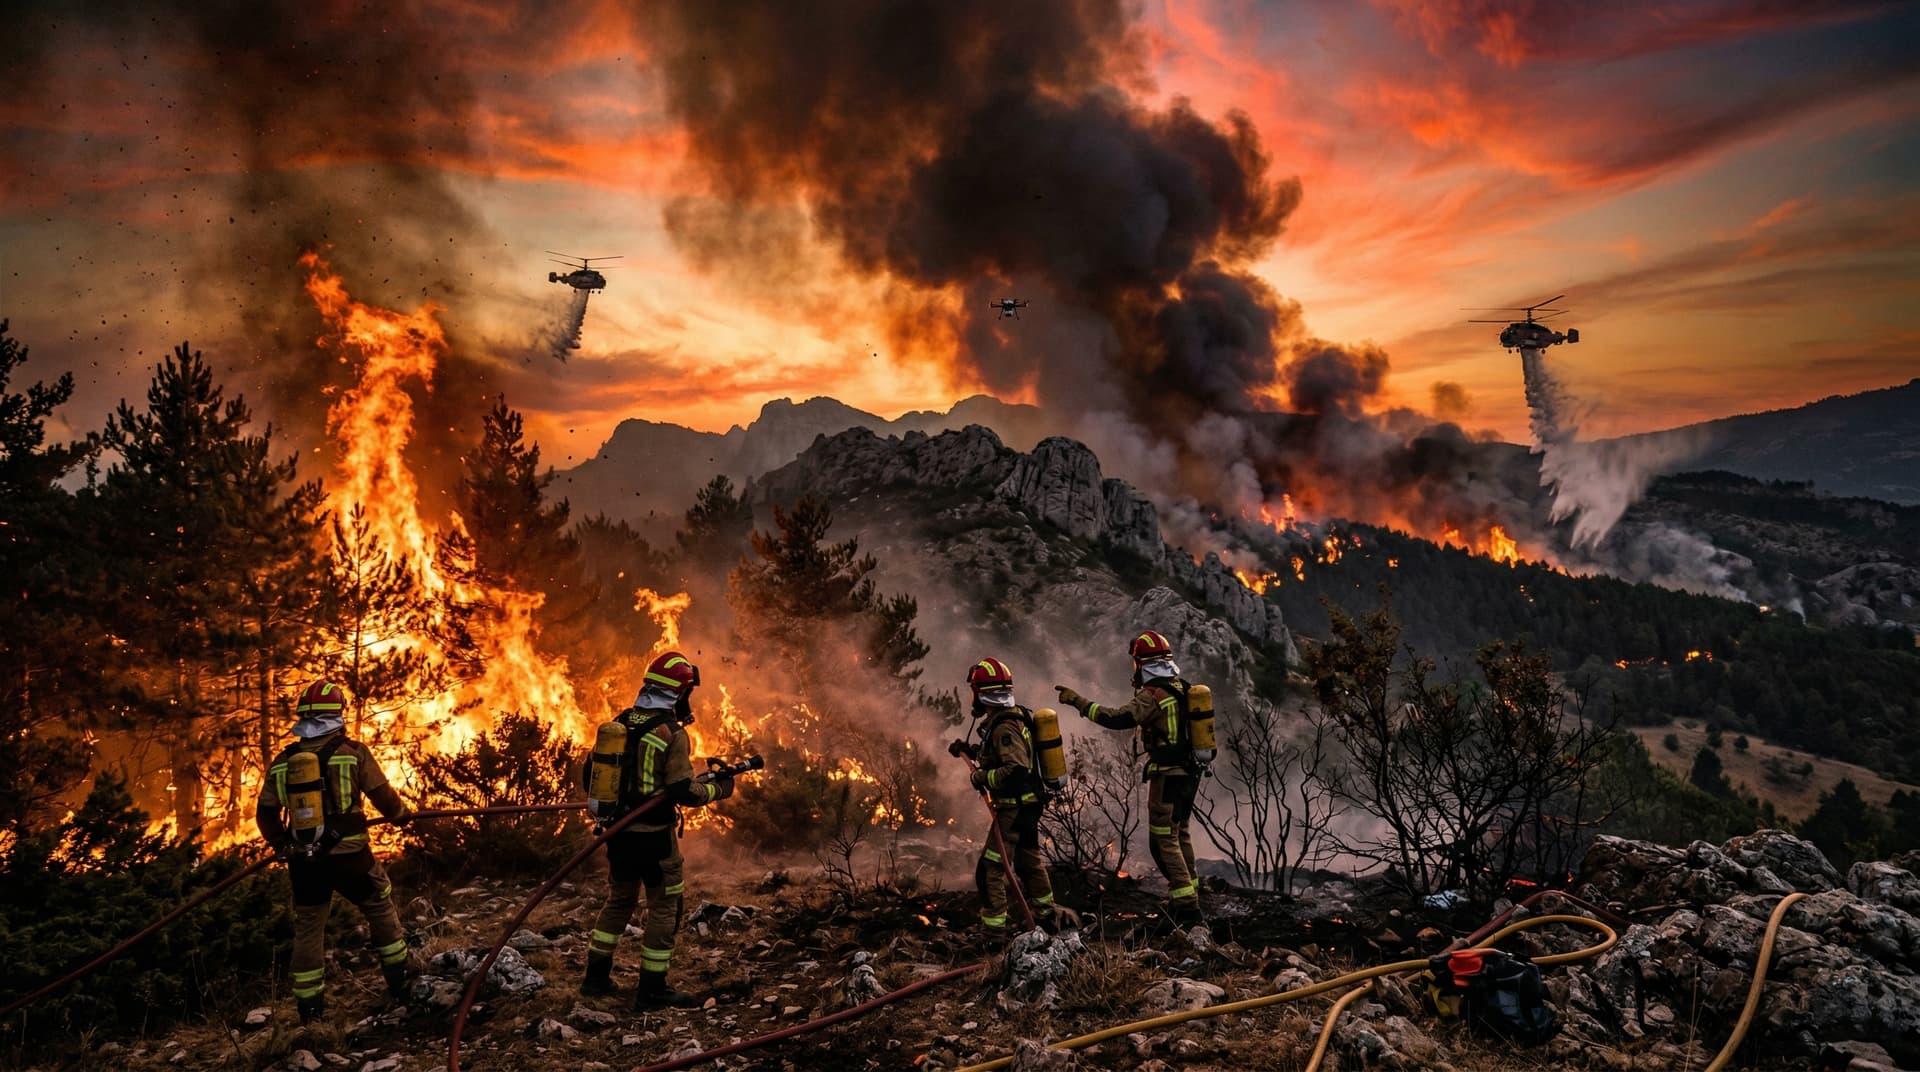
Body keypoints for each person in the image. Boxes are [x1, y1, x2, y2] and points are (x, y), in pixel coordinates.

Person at [581, 651, 735, 1009]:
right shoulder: (671, 734)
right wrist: (718, 789)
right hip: (653, 838)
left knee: (618, 901)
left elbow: (590, 776)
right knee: (665, 906)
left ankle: (595, 980)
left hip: (618, 833)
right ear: (679, 694)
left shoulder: (619, 724)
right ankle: (652, 989)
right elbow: (683, 791)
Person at [255, 680, 414, 1024]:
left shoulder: (284, 762)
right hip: (350, 856)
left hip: (304, 862)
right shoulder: (352, 752)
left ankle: (310, 1009)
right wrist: (402, 818)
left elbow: (265, 814)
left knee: (310, 925)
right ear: (336, 715)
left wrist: (283, 846)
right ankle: (400, 980)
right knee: (378, 903)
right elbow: (383, 797)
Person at [1055, 631, 1212, 923]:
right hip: (1190, 773)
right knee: (1180, 833)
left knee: (1163, 840)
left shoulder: (1154, 695)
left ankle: (1186, 908)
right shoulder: (1182, 687)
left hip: (1168, 775)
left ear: (1141, 664)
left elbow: (1117, 718)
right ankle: (1189, 894)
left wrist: (1078, 702)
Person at [948, 658, 1056, 943]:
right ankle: (1046, 918)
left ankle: (994, 934)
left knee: (990, 869)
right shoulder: (1010, 718)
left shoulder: (1004, 727)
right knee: (1028, 862)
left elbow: (1015, 769)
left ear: (981, 693)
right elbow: (997, 756)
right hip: (1028, 805)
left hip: (1016, 808)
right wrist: (968, 750)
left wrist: (981, 778)